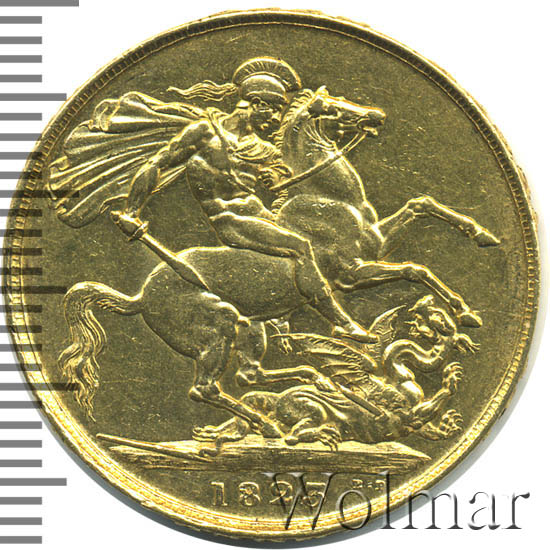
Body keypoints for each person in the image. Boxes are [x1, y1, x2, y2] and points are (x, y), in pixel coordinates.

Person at [113, 57, 373, 343]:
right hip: (229, 220)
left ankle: (284, 310)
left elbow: (284, 180)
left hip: (261, 215)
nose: (275, 120)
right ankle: (340, 323)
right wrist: (131, 211)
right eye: (274, 111)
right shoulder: (205, 133)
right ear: (257, 104)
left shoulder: (261, 148)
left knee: (320, 246)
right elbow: (157, 164)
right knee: (300, 246)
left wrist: (276, 179)